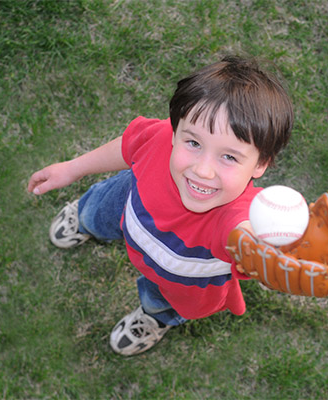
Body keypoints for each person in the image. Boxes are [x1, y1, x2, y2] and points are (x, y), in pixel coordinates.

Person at [27, 56, 294, 356]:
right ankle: (83, 220)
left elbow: (247, 239)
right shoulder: (160, 139)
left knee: (161, 300)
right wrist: (74, 168)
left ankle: (153, 318)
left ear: (261, 164)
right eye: (193, 143)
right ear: (176, 130)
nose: (203, 170)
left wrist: (272, 262)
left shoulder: (238, 217)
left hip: (179, 278)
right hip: (130, 205)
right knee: (97, 211)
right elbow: (130, 144)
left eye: (229, 157)